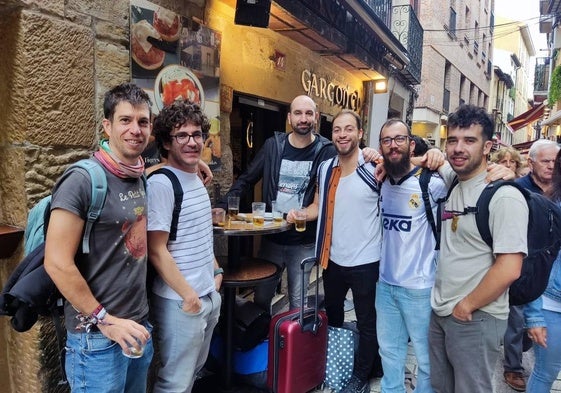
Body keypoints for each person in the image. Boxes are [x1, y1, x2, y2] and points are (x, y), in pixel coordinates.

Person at [44, 83, 154, 392]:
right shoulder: (82, 180)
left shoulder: (139, 173)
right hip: (96, 336)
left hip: (137, 326)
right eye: (125, 120)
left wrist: (193, 162)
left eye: (143, 122)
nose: (136, 129)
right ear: (107, 126)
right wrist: (105, 320)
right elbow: (56, 263)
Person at [429, 104, 528, 393]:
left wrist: (466, 306)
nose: (458, 149)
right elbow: (422, 160)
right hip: (442, 311)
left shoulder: (504, 196)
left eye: (469, 141)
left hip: (475, 316)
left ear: (487, 147)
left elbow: (510, 268)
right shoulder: (454, 181)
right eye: (452, 140)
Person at [215, 95, 336, 312]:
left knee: (298, 303)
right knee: (261, 297)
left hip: (304, 242)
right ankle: (262, 339)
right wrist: (223, 205)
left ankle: (293, 344)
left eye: (309, 113)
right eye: (298, 113)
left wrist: (371, 156)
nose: (303, 118)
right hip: (273, 238)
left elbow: (349, 162)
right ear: (289, 118)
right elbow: (247, 178)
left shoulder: (326, 151)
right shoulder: (273, 146)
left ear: (316, 117)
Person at [294, 109, 382, 393]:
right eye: (337, 130)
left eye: (348, 129)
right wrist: (297, 214)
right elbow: (318, 207)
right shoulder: (326, 167)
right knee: (332, 314)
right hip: (332, 259)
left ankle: (362, 374)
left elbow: (402, 175)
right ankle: (334, 363)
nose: (342, 135)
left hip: (366, 261)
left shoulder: (372, 168)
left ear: (359, 133)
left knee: (367, 322)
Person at [147, 100, 222, 393]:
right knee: (173, 384)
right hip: (181, 302)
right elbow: (156, 249)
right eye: (182, 135)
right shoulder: (163, 184)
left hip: (206, 295)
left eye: (197, 135)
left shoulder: (196, 178)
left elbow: (200, 233)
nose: (192, 142)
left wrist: (218, 271)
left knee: (192, 375)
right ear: (167, 141)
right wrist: (189, 297)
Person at [376, 119, 447, 393]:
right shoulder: (379, 181)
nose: (393, 145)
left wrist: (437, 159)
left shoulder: (431, 183)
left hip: (419, 287)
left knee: (425, 358)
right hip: (385, 286)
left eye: (399, 139)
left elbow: (467, 179)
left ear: (411, 144)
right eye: (386, 140)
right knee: (390, 354)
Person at [502, 139, 559, 392]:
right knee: (515, 323)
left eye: (554, 162)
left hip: (544, 283)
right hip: (530, 278)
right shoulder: (519, 190)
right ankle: (513, 367)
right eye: (545, 161)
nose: (550, 166)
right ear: (531, 162)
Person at [524, 147, 561, 392]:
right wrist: (534, 316)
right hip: (551, 305)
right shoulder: (550, 206)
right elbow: (534, 263)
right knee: (546, 372)